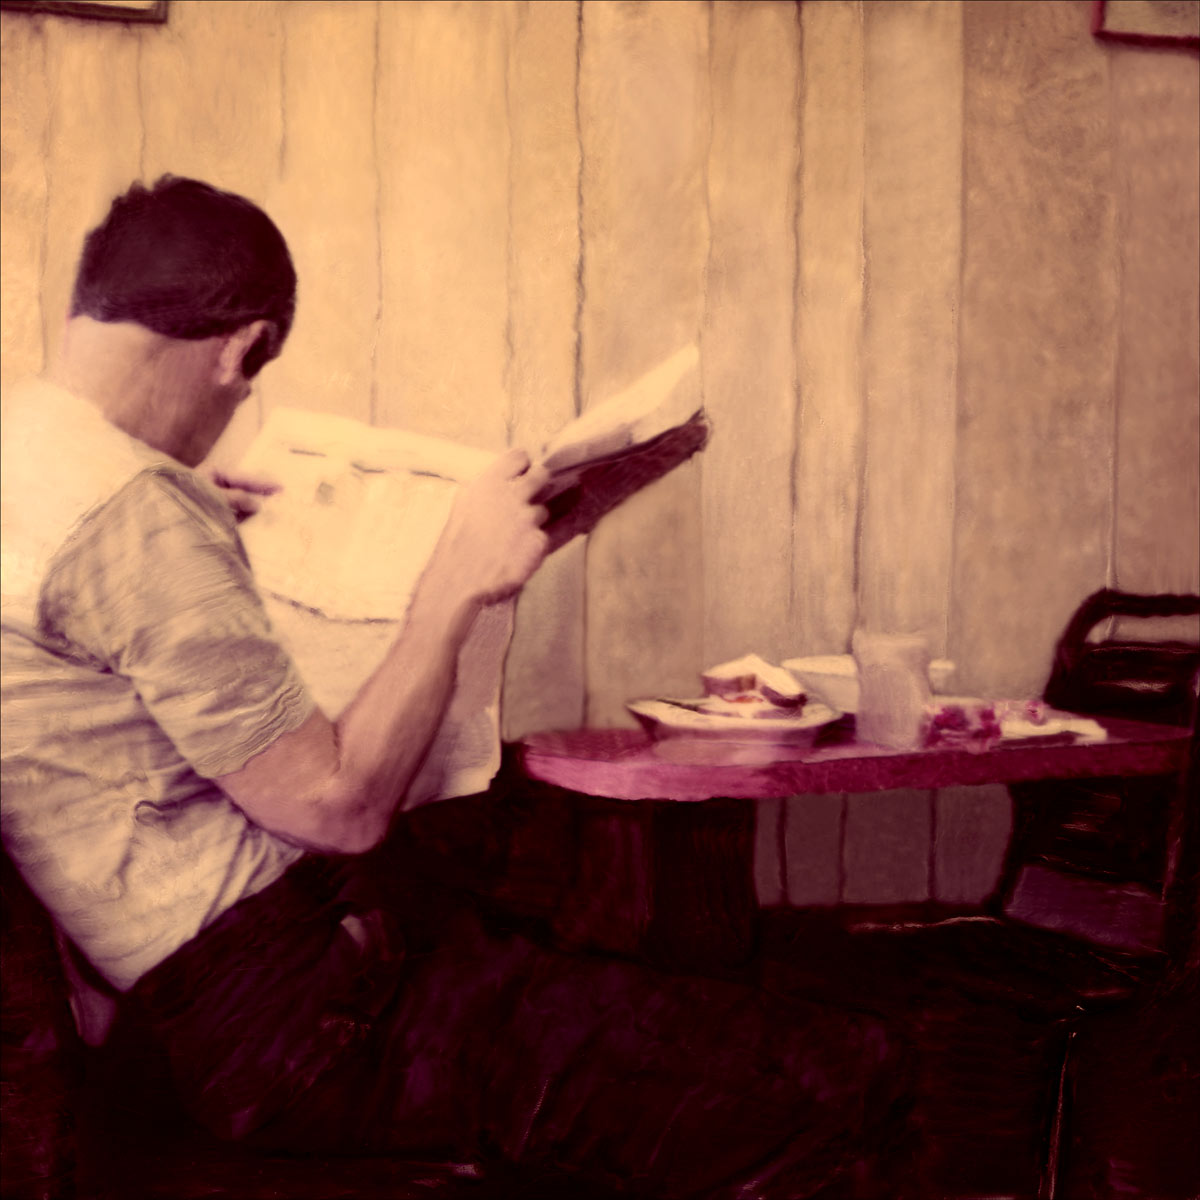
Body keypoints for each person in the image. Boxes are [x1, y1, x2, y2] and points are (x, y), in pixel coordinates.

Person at [1, 176, 910, 1199]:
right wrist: (448, 589)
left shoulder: (32, 457)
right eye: (249, 382)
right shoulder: (134, 518)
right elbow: (338, 809)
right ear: (239, 348)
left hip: (253, 980)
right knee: (847, 1070)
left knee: (594, 932)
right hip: (291, 1015)